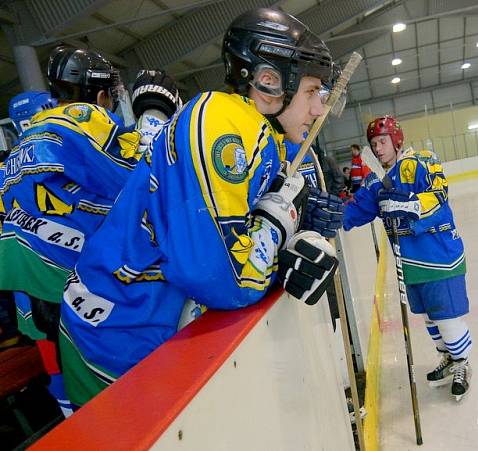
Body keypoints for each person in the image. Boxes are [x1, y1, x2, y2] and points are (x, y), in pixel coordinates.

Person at [58, 8, 341, 407]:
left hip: (136, 321)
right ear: (268, 81)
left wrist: (293, 231)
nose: (318, 108)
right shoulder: (220, 123)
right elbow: (221, 277)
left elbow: (236, 240)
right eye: (312, 92)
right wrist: (276, 229)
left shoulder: (261, 136)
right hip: (115, 334)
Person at [1, 56, 179, 416]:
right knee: (114, 386)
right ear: (98, 95)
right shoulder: (86, 118)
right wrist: (154, 116)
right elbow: (138, 174)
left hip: (27, 285)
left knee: (61, 376)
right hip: (77, 280)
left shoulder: (22, 144)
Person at [343, 115, 473, 402]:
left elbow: (439, 197)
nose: (377, 148)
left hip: (440, 256)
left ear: (397, 139)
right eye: (373, 144)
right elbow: (357, 209)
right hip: (410, 264)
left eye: (382, 141)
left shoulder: (423, 161)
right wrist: (332, 216)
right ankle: (448, 358)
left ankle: (462, 362)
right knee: (429, 319)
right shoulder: (375, 181)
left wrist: (408, 205)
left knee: (447, 319)